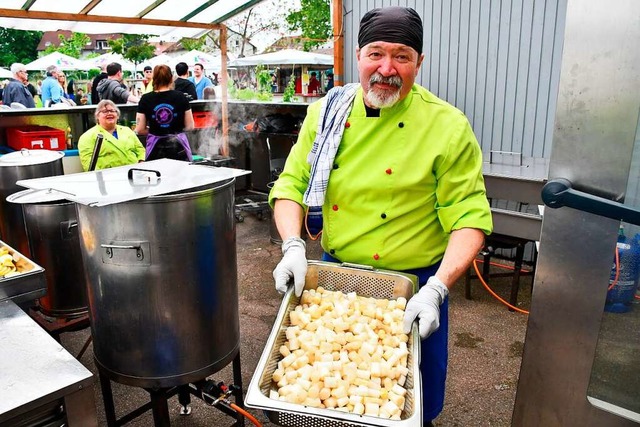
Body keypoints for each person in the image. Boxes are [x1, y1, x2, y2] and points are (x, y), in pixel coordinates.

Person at [268, 7, 493, 426]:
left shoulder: (447, 126)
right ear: (358, 55)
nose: (386, 69)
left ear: (419, 63)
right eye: (375, 53)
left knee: (413, 399)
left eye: (402, 56)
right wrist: (293, 244)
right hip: (337, 283)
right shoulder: (326, 113)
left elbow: (470, 217)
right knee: (329, 399)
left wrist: (438, 289)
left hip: (414, 288)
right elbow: (291, 185)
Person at [135, 64, 194, 162]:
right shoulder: (180, 96)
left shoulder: (145, 99)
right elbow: (190, 126)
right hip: (178, 147)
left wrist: (155, 131)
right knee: (181, 175)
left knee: (157, 176)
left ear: (154, 79)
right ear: (171, 78)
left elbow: (140, 129)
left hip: (155, 148)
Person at [77, 99, 145, 171]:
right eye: (105, 111)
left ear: (118, 115)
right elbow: (89, 164)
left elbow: (140, 149)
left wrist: (141, 163)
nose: (109, 113)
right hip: (108, 177)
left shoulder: (127, 130)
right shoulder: (87, 137)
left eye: (112, 111)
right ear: (97, 116)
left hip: (134, 173)